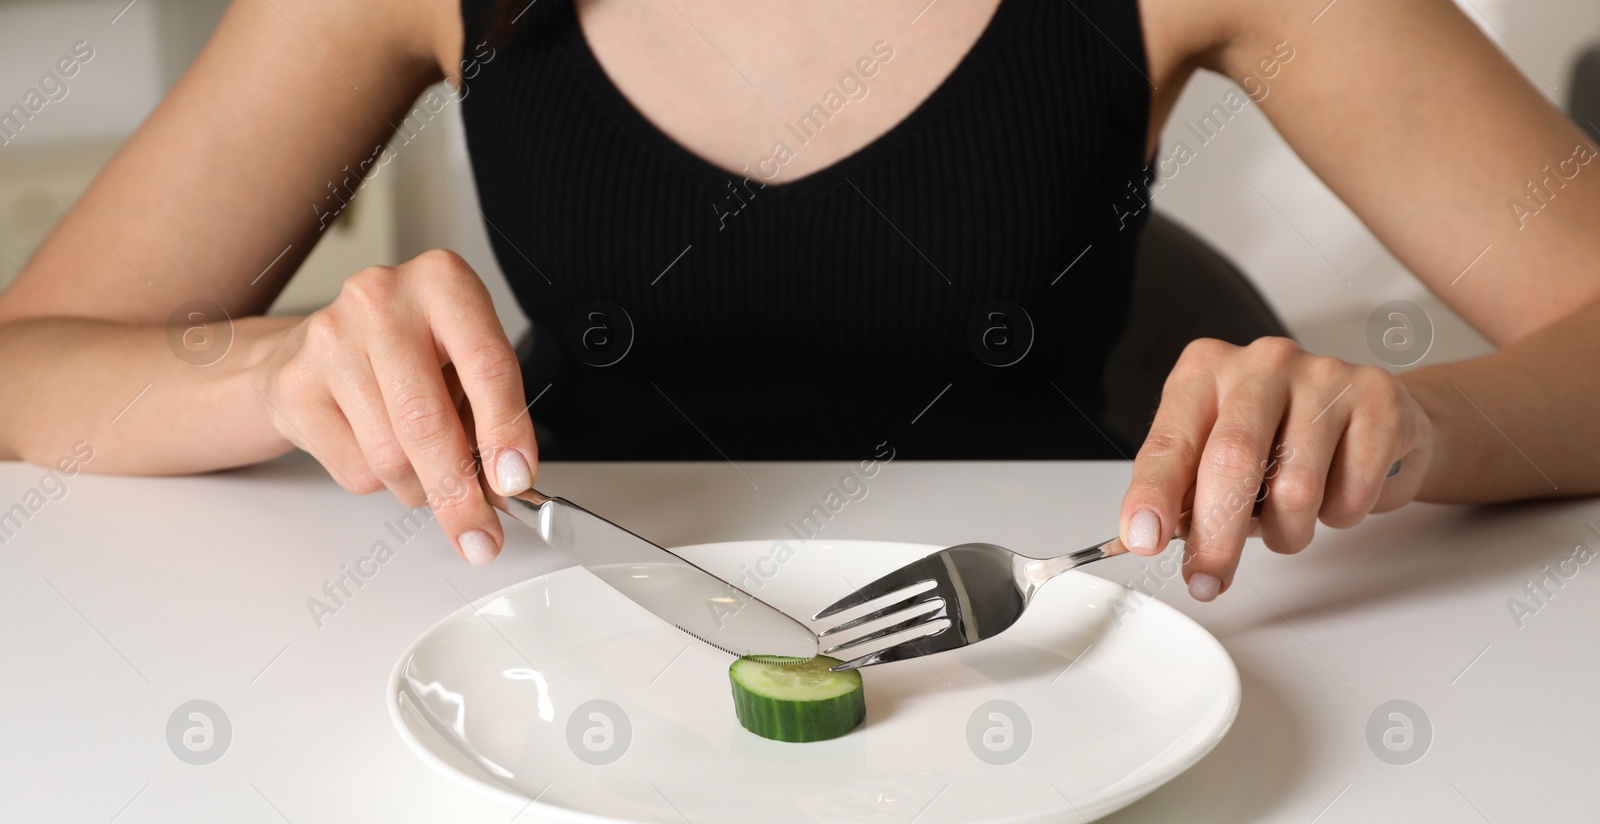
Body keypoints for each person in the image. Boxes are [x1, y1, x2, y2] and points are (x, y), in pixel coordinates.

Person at [1, 0, 1596, 604]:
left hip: (1063, 670)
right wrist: (281, 373)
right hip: (574, 670)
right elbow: (29, 366)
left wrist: (1413, 420)